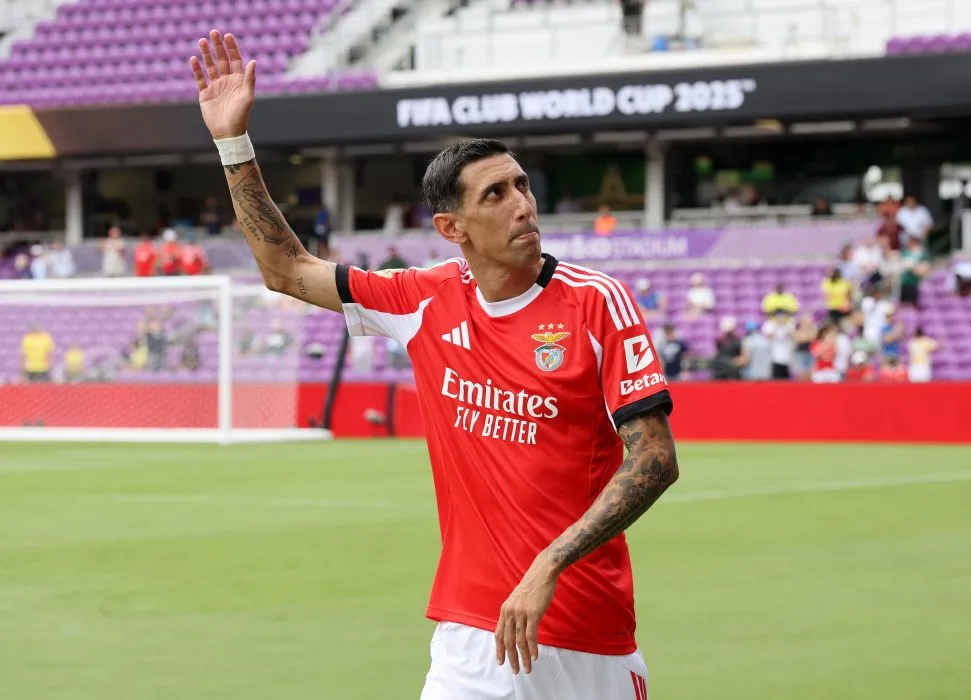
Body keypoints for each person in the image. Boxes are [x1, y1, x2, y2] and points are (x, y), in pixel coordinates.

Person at [191, 31, 676, 700]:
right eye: (495, 195)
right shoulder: (423, 299)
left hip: (584, 640)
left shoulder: (597, 303)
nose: (522, 204)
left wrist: (550, 562)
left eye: (522, 185)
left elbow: (655, 458)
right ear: (452, 228)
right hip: (470, 638)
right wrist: (232, 143)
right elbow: (285, 268)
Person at [761, 311, 795, 380]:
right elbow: (768, 336)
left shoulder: (789, 324)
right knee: (777, 379)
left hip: (788, 357)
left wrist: (784, 325)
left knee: (786, 379)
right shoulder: (770, 324)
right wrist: (777, 325)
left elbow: (794, 336)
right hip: (775, 358)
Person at [898, 236, 930, 308]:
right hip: (904, 282)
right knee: (903, 304)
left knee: (915, 303)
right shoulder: (905, 253)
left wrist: (914, 267)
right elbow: (901, 264)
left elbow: (924, 269)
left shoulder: (922, 253)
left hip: (916, 283)